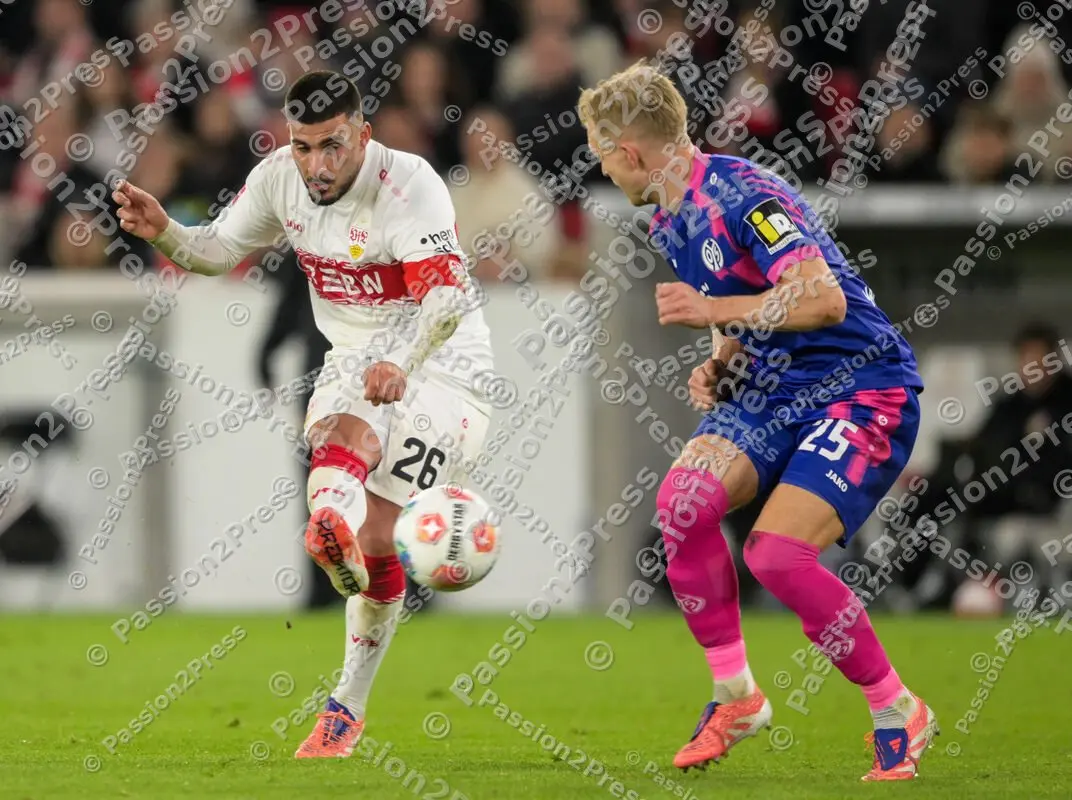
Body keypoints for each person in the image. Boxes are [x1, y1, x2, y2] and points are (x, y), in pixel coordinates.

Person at [112, 70, 494, 758]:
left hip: (443, 367)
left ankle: (347, 700)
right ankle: (332, 533)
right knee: (332, 479)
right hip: (353, 356)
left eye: (332, 147)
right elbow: (220, 249)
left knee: (380, 536)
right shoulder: (279, 178)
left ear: (363, 136)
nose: (317, 165)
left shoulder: (410, 186)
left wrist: (401, 365)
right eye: (304, 146)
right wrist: (165, 230)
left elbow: (442, 301)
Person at [578, 61, 935, 782]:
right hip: (771, 392)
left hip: (860, 388)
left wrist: (714, 314)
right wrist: (722, 354)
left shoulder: (744, 195)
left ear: (631, 152)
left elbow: (823, 300)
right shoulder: (671, 215)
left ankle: (896, 706)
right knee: (683, 506)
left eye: (598, 149)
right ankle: (736, 696)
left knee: (775, 556)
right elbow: (740, 294)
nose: (596, 162)